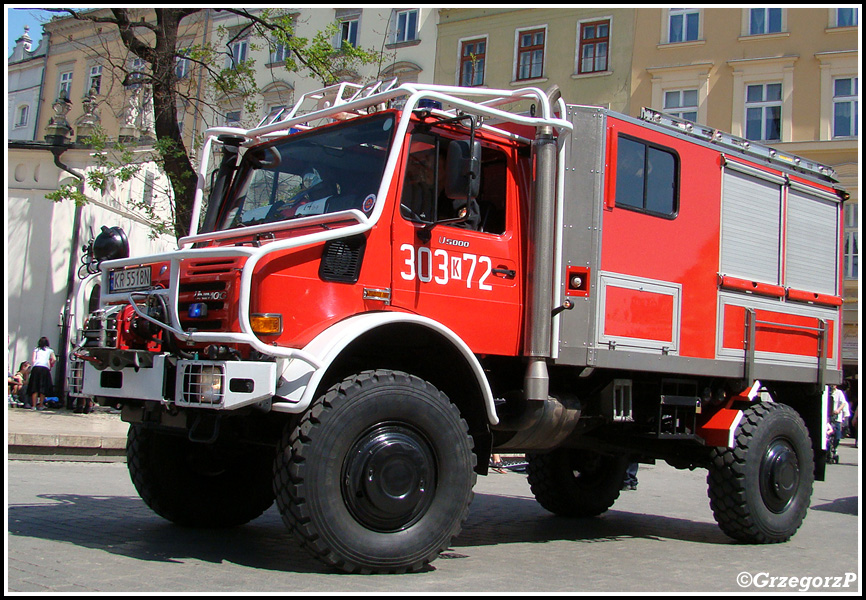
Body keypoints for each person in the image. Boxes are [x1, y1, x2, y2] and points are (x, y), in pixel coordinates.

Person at [26, 337, 56, 411]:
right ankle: (41, 405)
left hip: (36, 368)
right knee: (43, 387)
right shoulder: (50, 350)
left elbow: (33, 360)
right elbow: (54, 359)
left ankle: (33, 405)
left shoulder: (36, 349)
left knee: (34, 387)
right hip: (44, 368)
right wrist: (50, 364)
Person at [829, 383, 850, 452]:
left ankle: (834, 448)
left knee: (837, 436)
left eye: (834, 385)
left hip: (837, 418)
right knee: (829, 435)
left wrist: (838, 410)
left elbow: (843, 403)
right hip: (829, 418)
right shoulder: (828, 392)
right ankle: (828, 449)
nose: (833, 386)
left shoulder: (839, 393)